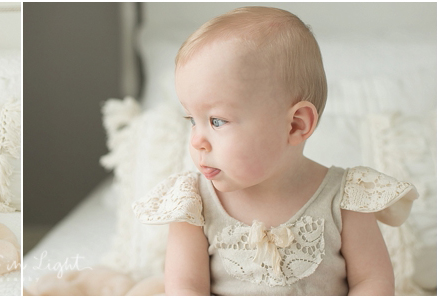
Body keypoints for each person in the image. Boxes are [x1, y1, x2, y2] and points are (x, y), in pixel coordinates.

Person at [132, 7, 418, 295]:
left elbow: (373, 283)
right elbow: (185, 289)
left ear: (295, 125)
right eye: (192, 120)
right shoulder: (195, 204)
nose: (196, 141)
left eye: (217, 121)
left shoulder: (345, 200)